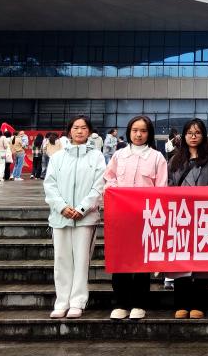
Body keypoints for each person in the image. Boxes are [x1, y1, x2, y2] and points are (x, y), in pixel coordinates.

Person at [103, 116, 168, 320]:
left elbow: (161, 188)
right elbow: (109, 179)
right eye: (134, 130)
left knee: (141, 261)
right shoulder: (119, 155)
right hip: (121, 217)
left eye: (143, 131)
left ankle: (139, 303)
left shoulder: (157, 157)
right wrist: (116, 192)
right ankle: (120, 303)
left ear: (149, 133)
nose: (138, 134)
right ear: (129, 132)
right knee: (120, 260)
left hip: (144, 218)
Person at [44, 115, 106, 319]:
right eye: (76, 127)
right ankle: (61, 301)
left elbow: (99, 186)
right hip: (60, 217)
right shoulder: (58, 157)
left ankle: (77, 301)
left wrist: (82, 208)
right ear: (69, 130)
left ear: (90, 132)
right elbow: (50, 185)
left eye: (84, 128)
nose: (79, 131)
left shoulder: (97, 157)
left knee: (81, 260)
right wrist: (61, 207)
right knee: (61, 260)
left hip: (85, 218)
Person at [167, 118, 208, 319]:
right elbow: (169, 186)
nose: (193, 136)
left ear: (203, 136)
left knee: (203, 262)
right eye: (189, 133)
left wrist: (200, 195)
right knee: (181, 261)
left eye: (197, 133)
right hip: (181, 216)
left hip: (204, 216)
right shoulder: (174, 160)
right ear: (184, 136)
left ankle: (199, 304)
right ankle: (181, 303)